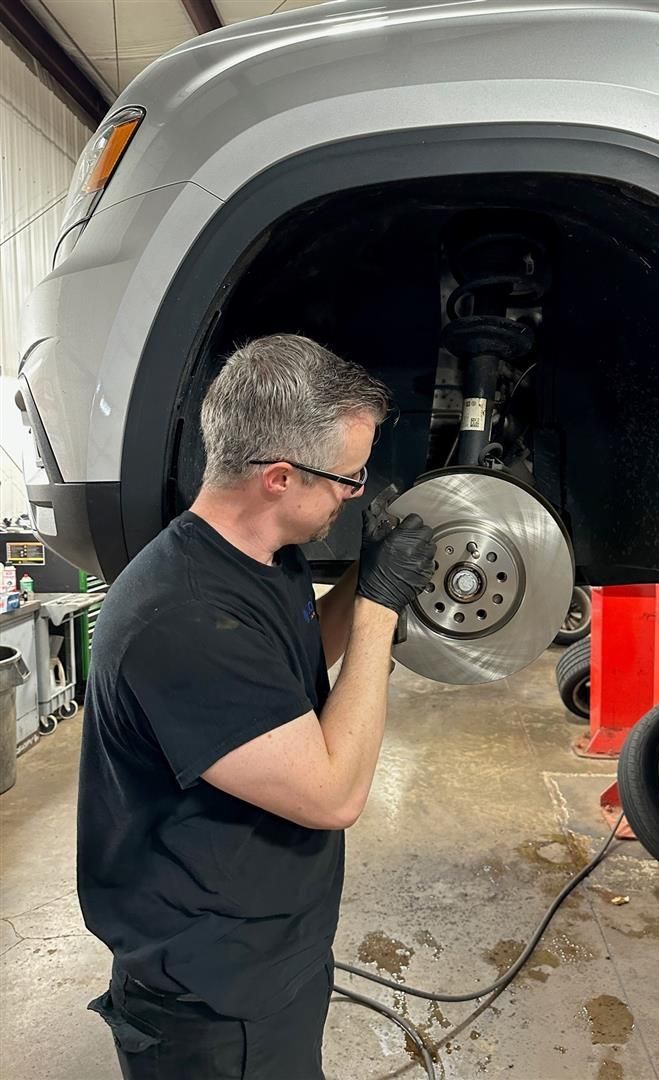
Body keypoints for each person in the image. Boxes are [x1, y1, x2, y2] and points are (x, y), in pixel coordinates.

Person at [77, 334, 437, 1079]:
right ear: (279, 476)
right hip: (212, 1001)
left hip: (268, 953)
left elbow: (289, 663)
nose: (356, 491)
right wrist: (378, 610)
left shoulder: (260, 558)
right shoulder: (179, 618)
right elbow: (335, 794)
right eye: (347, 476)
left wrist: (365, 581)